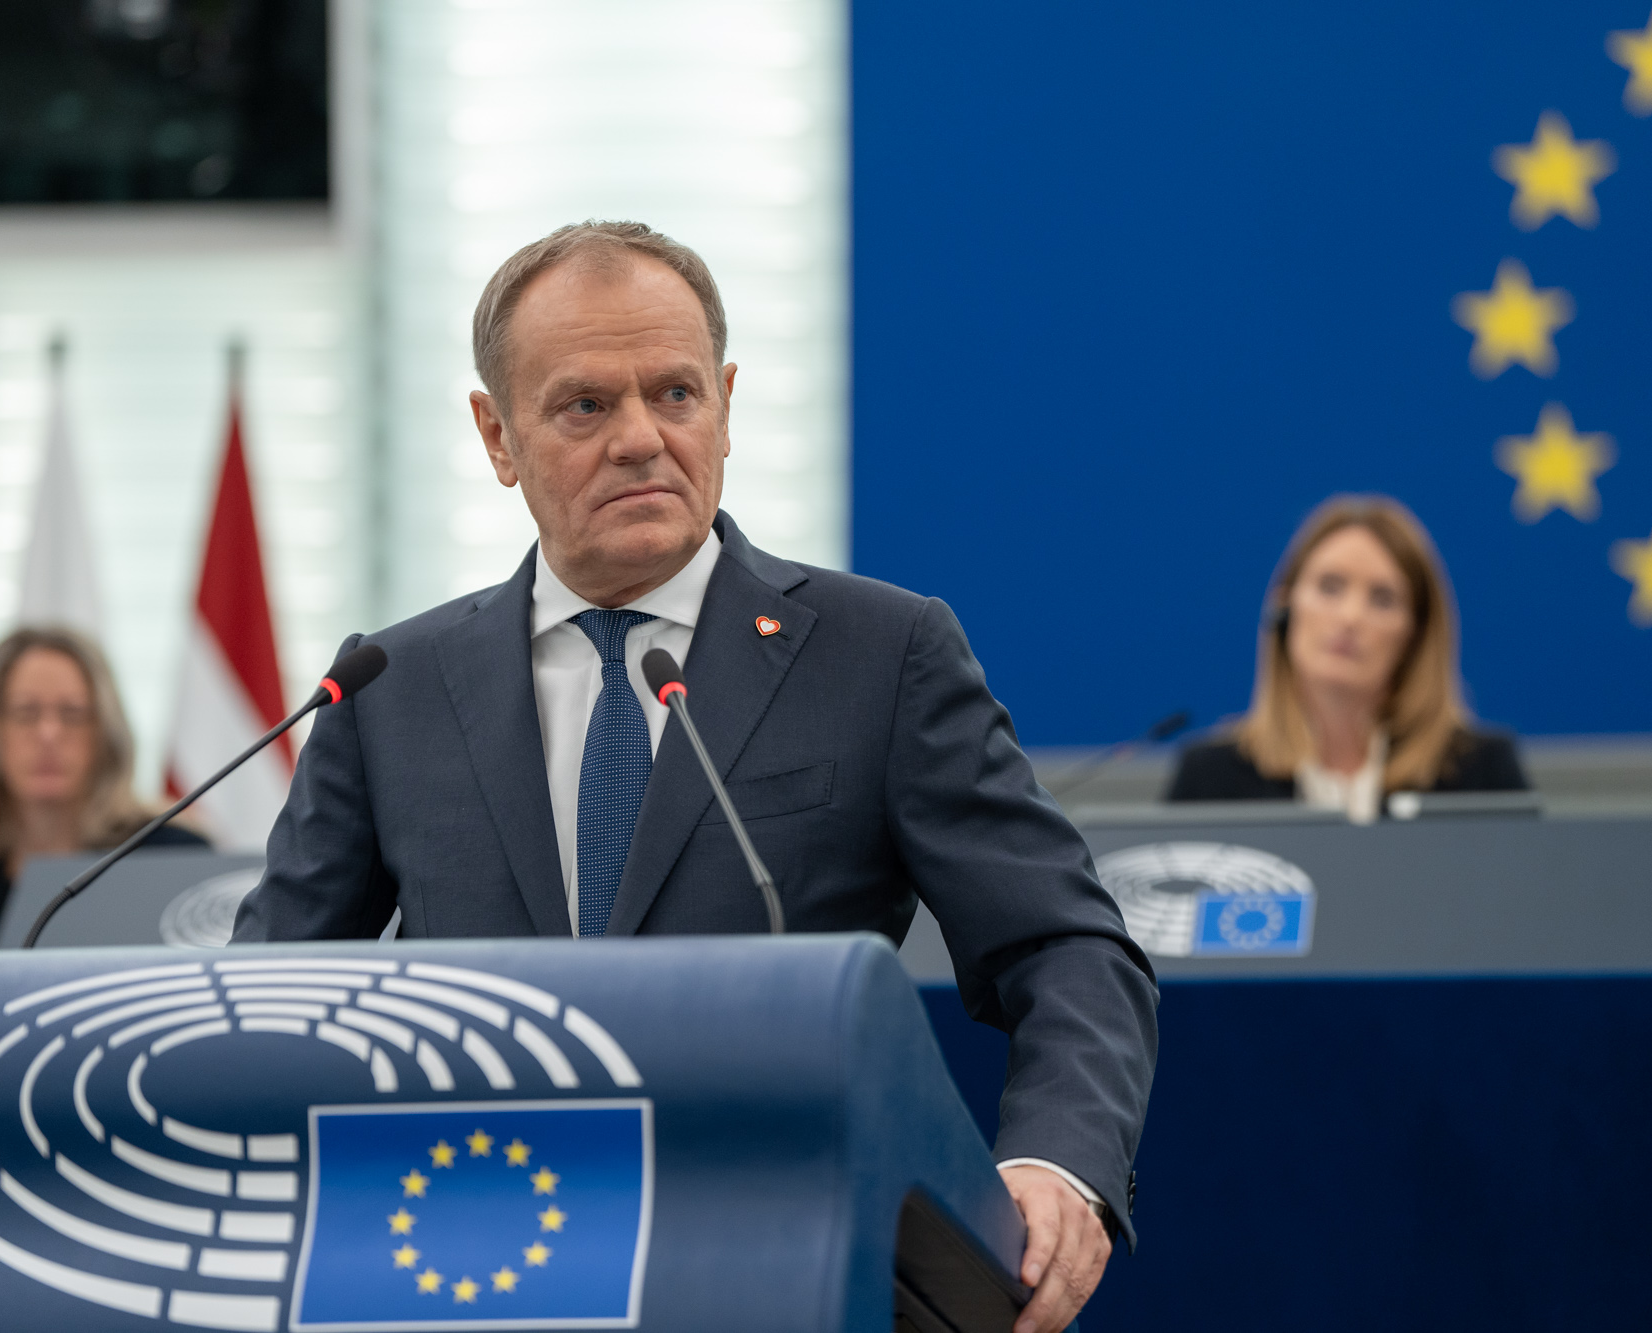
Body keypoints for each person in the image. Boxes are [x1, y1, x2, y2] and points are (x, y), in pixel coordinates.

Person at [234, 221, 1156, 1333]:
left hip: (788, 1270)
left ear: (724, 402)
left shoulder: (880, 655)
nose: (639, 439)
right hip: (478, 1271)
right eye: (585, 406)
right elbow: (267, 1007)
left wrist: (1057, 1161)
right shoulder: (391, 687)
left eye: (673, 393)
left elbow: (1065, 948)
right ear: (496, 435)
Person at [1167, 495, 1528, 819]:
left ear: (1415, 632)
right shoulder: (1210, 777)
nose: (1350, 617)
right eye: (1330, 587)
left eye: (1382, 599)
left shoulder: (1483, 773)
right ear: (1284, 608)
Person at [0, 626, 206, 950]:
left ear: (104, 733)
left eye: (71, 713)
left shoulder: (171, 853)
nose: (48, 734)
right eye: (26, 713)